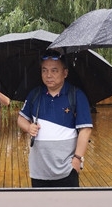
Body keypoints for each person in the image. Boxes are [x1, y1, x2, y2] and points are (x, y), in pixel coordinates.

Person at [17, 50, 92, 188]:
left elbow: (85, 129)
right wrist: (28, 127)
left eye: (54, 70)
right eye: (44, 70)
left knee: (68, 203)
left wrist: (77, 159)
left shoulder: (76, 95)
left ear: (65, 73)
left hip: (66, 169)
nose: (48, 75)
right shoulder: (35, 94)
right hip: (39, 170)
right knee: (40, 202)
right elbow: (21, 119)